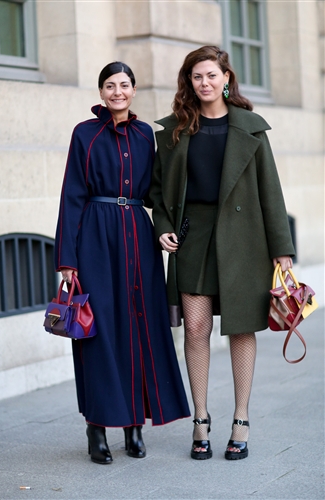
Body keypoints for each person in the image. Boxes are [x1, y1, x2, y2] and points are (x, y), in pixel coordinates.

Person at [149, 46, 295, 461]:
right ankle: (200, 418)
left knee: (241, 327)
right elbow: (156, 191)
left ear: (226, 78)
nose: (205, 83)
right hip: (192, 237)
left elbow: (271, 191)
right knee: (195, 328)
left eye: (212, 75)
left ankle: (241, 418)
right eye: (197, 77)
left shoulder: (250, 128)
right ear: (189, 82)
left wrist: (281, 249)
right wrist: (162, 228)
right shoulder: (174, 131)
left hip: (244, 240)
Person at [54, 61, 190, 465]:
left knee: (138, 327)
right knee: (98, 332)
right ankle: (97, 427)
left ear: (133, 91)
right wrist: (68, 257)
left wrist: (169, 224)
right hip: (96, 236)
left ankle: (134, 426)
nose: (117, 92)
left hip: (136, 235)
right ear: (101, 93)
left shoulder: (146, 133)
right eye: (110, 86)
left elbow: (156, 190)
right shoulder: (85, 133)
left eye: (124, 85)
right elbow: (72, 195)